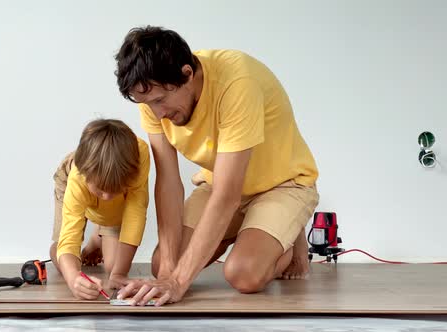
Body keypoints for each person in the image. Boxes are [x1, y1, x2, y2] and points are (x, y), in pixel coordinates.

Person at [113, 26, 320, 306]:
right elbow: (168, 181)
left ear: (187, 74)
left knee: (243, 274)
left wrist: (177, 283)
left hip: (281, 184)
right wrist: (167, 273)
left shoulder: (237, 83)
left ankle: (288, 236)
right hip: (220, 182)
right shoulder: (151, 91)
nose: (157, 113)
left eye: (161, 100)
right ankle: (255, 232)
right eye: (147, 104)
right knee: (163, 261)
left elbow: (227, 195)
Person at [49, 118, 150, 300]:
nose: (106, 197)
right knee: (61, 259)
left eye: (115, 191)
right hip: (71, 182)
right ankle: (97, 237)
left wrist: (119, 274)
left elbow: (135, 213)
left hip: (107, 185)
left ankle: (98, 237)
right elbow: (69, 240)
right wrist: (74, 279)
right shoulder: (77, 179)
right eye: (100, 190)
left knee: (113, 267)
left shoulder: (139, 156)